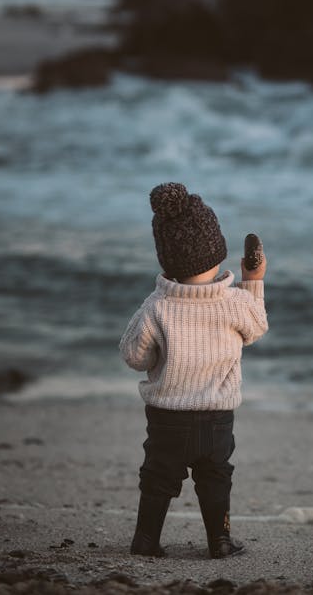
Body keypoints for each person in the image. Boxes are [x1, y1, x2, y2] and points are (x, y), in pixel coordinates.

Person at [119, 182, 268, 559]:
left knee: (157, 479)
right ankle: (219, 541)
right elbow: (256, 327)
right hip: (216, 417)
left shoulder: (157, 306)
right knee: (216, 478)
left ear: (167, 259)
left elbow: (133, 355)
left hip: (167, 416)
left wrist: (161, 360)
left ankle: (145, 540)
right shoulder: (234, 303)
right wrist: (254, 280)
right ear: (217, 251)